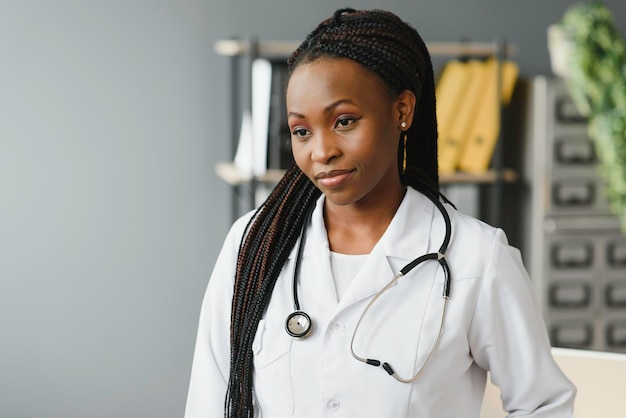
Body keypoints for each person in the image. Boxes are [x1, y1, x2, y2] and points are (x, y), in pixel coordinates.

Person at [185, 8, 576, 418]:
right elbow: (210, 402)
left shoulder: (476, 258)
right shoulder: (253, 245)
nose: (321, 151)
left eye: (344, 121)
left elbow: (543, 405)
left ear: (402, 110)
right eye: (301, 131)